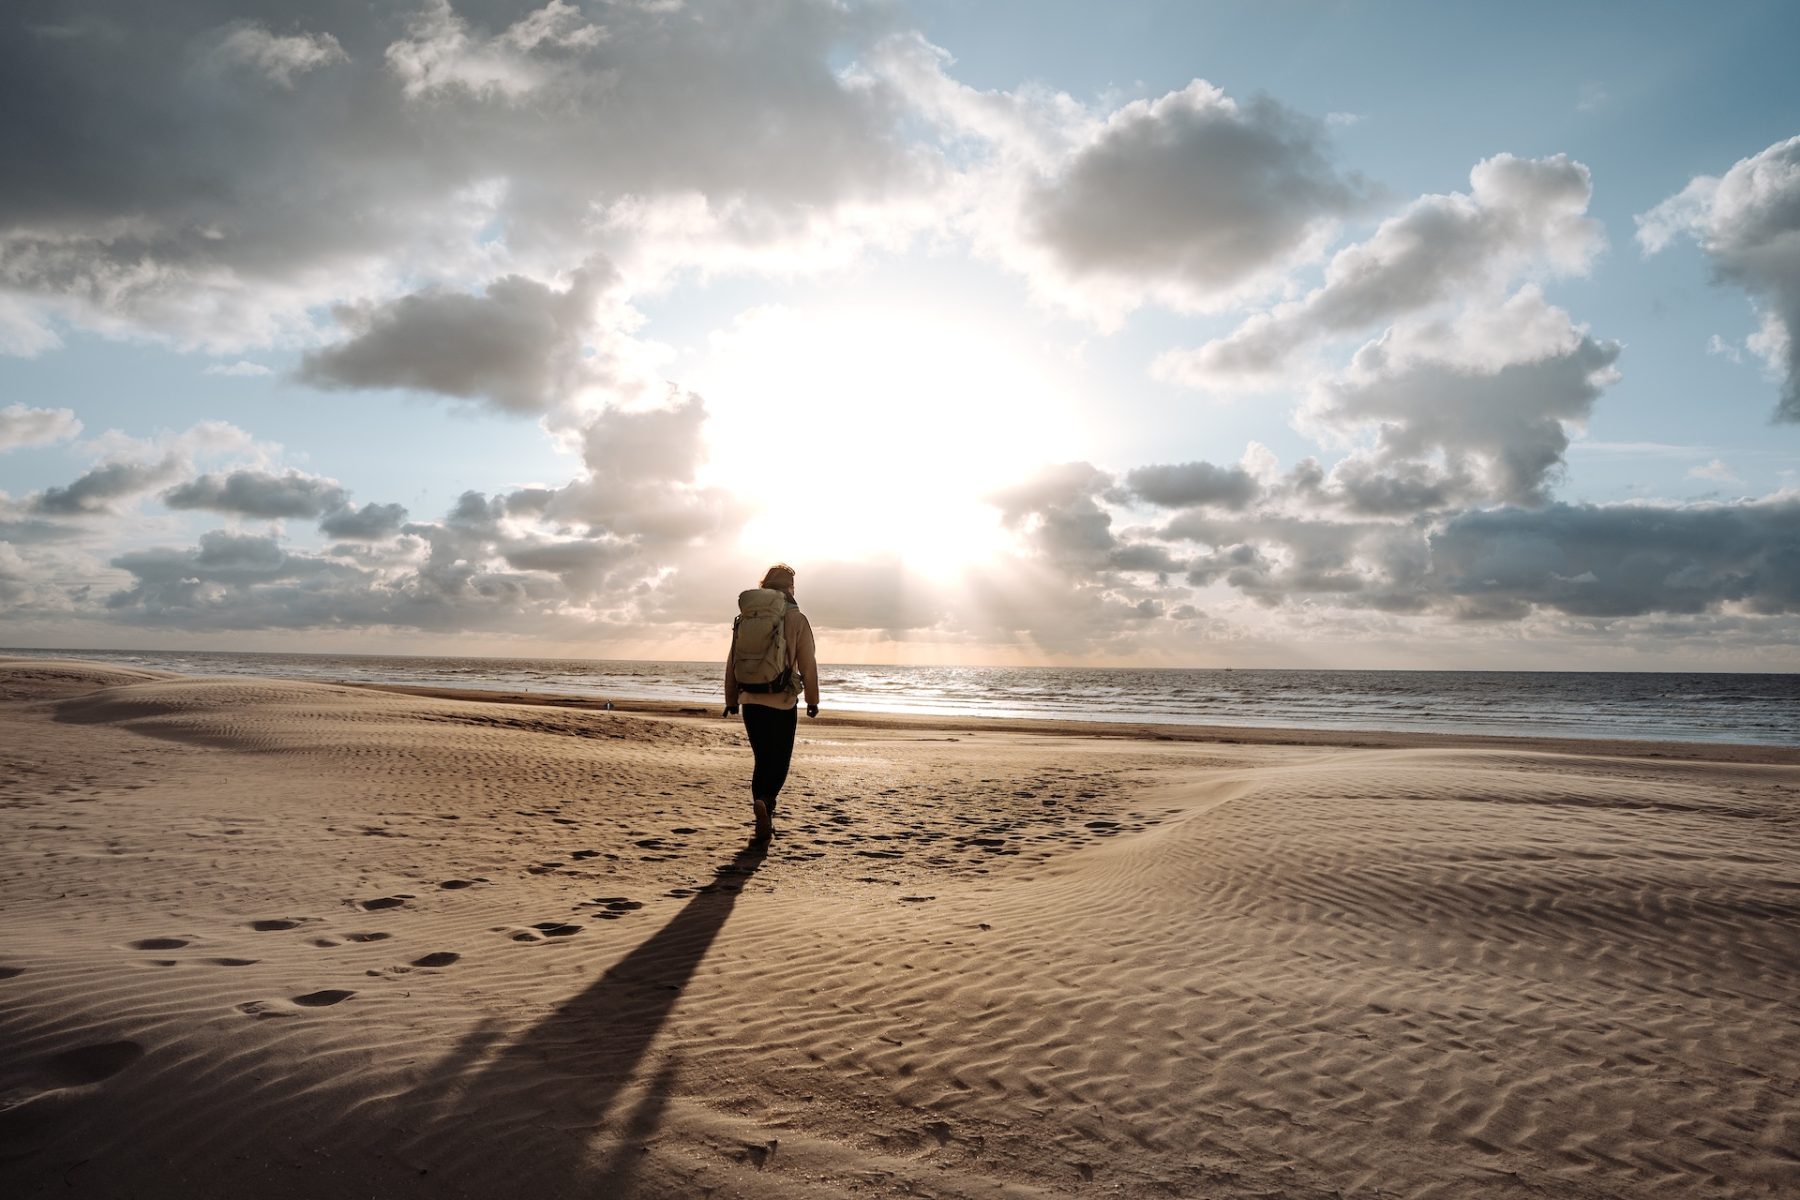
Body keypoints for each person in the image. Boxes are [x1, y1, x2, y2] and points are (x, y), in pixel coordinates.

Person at [723, 563, 819, 844]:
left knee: (762, 759)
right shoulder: (797, 619)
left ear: (764, 585)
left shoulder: (746, 618)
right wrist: (812, 700)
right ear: (791, 588)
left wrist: (732, 700)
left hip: (750, 698)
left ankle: (761, 806)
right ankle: (767, 802)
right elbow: (808, 665)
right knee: (779, 761)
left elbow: (732, 661)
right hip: (782, 701)